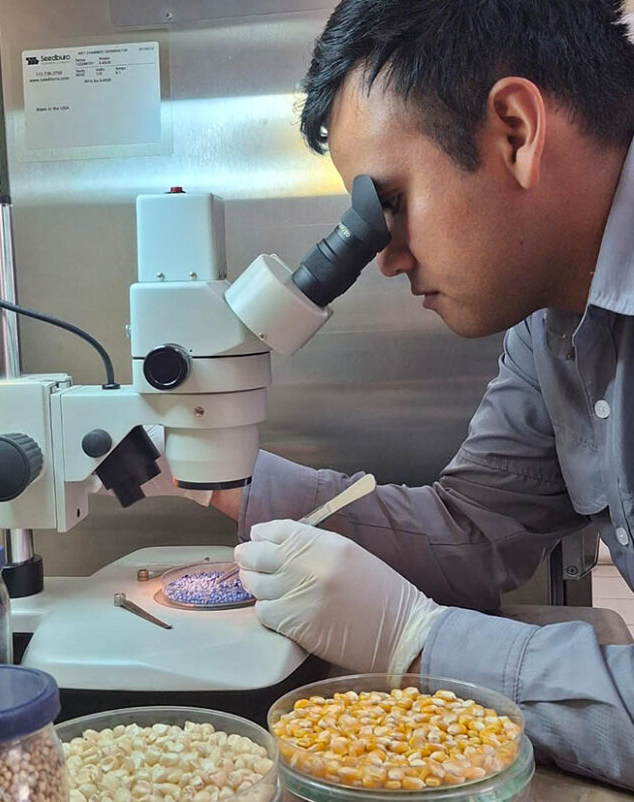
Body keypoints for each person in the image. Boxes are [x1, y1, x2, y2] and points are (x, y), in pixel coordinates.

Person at [145, 0, 634, 790]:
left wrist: (418, 642)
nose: (385, 257)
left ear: (515, 131)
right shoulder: (552, 328)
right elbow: (474, 533)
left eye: (391, 203)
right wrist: (217, 478)